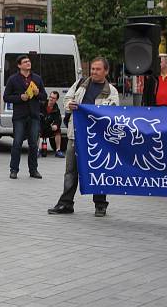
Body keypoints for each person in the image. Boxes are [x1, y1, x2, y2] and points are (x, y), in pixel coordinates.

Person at [48, 58, 119, 217]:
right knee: (71, 171)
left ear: (106, 71)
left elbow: (113, 112)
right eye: (92, 69)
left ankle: (100, 204)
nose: (94, 72)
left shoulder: (111, 91)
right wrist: (70, 105)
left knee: (99, 170)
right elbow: (67, 99)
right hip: (76, 135)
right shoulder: (81, 83)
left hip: (98, 138)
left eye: (98, 69)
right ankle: (66, 203)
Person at [3, 54, 47, 180]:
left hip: (34, 115)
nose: (28, 63)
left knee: (33, 144)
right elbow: (6, 97)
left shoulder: (37, 78)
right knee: (17, 143)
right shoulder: (13, 79)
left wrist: (38, 93)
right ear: (19, 65)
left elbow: (44, 96)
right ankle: (14, 170)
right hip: (19, 116)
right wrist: (19, 98)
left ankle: (33, 170)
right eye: (25, 62)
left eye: (29, 61)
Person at [40, 91, 65, 158]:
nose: (51, 99)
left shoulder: (56, 109)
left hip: (49, 128)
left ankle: (58, 150)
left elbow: (58, 120)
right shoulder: (41, 105)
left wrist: (56, 125)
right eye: (50, 97)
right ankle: (35, 150)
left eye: (53, 98)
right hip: (40, 127)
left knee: (58, 130)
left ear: (56, 100)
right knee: (36, 130)